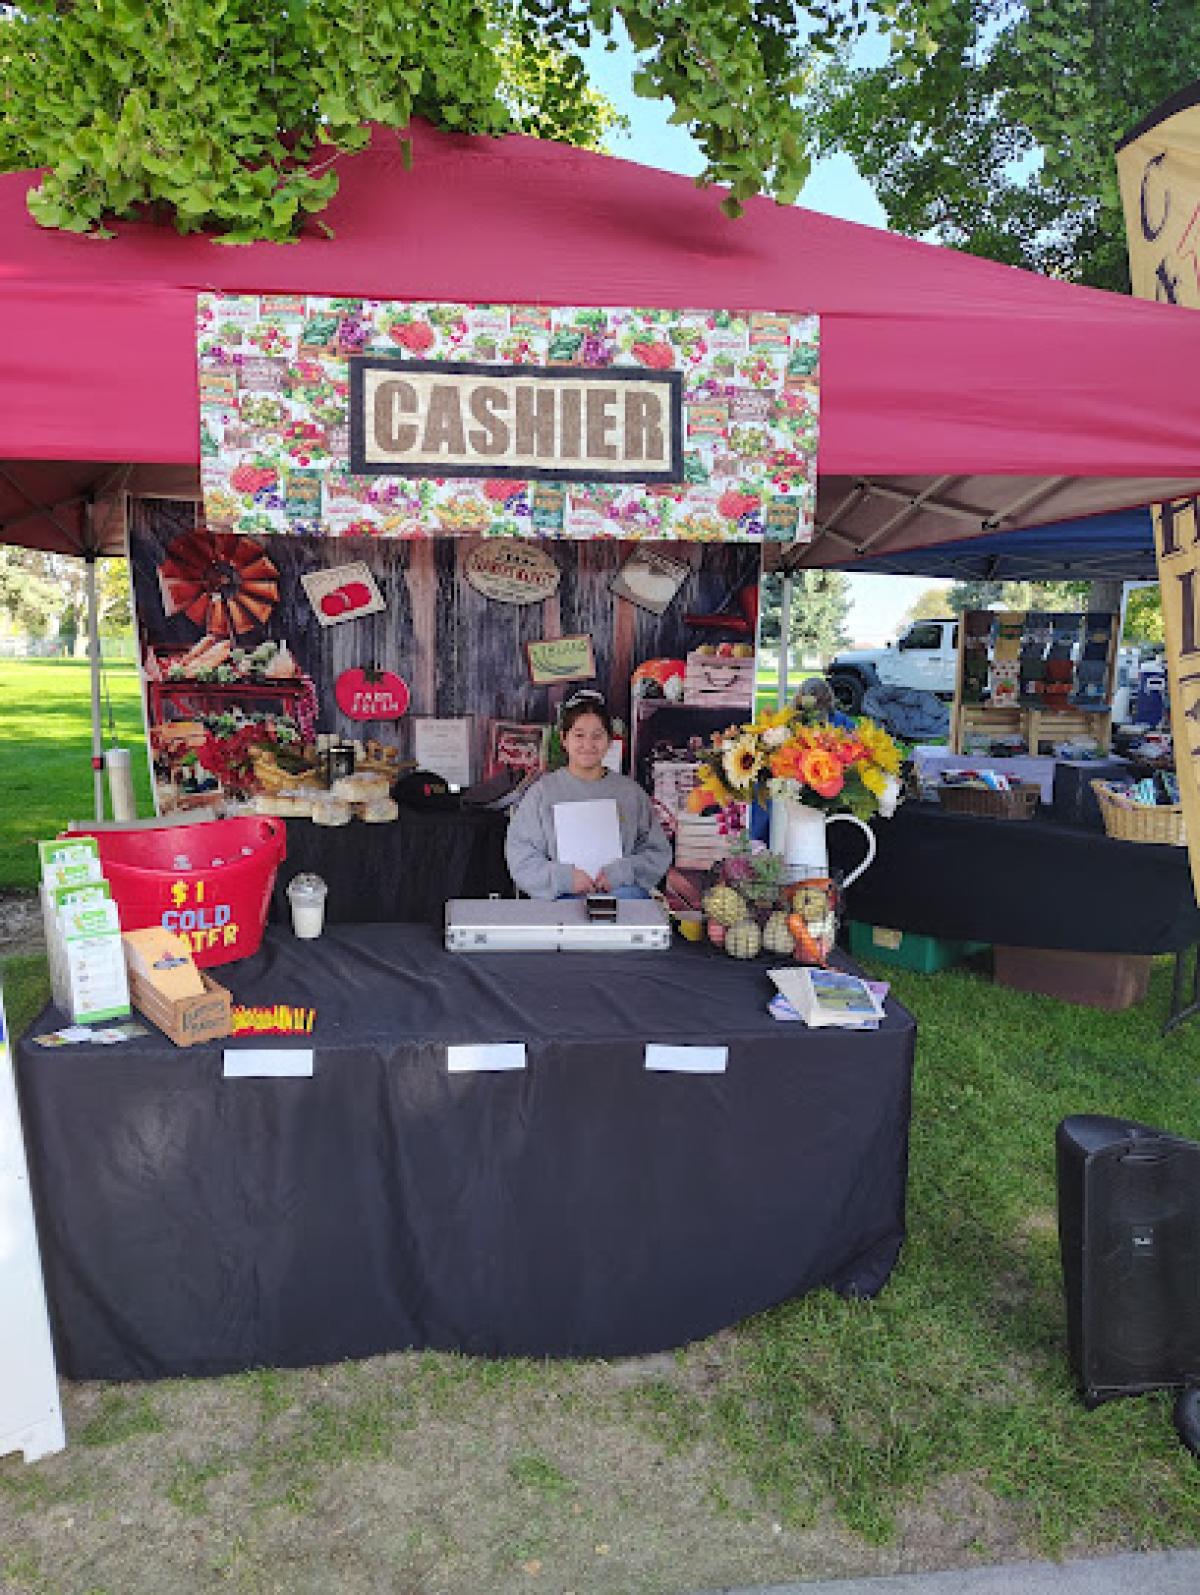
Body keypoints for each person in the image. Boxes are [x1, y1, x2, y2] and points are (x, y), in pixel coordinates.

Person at [505, 690, 671, 900]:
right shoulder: (542, 794)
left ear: (610, 741)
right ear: (564, 739)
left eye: (597, 735)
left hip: (622, 896)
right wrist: (564, 878)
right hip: (562, 899)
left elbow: (657, 852)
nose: (588, 745)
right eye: (579, 735)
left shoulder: (630, 793)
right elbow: (522, 857)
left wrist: (620, 874)